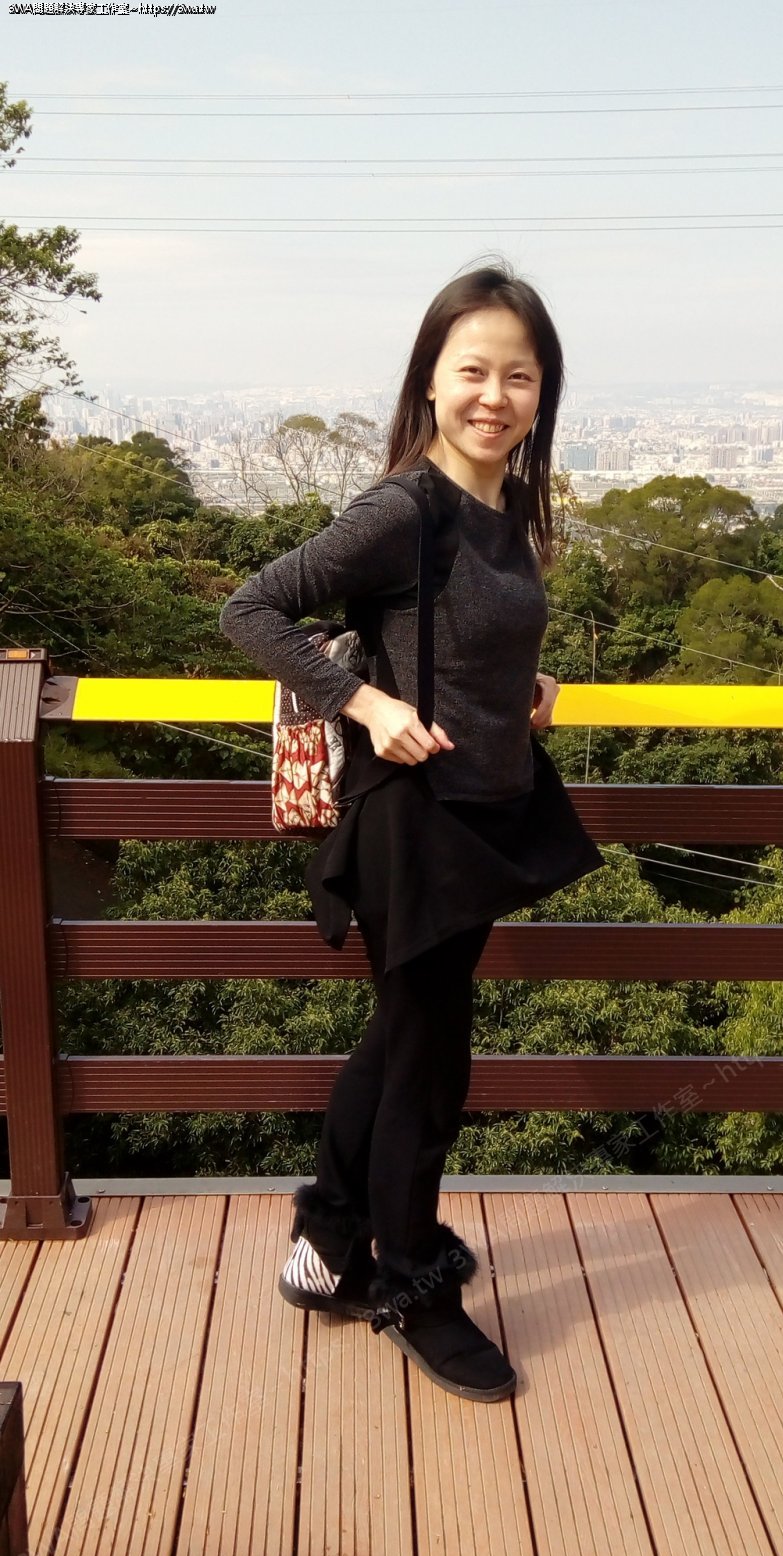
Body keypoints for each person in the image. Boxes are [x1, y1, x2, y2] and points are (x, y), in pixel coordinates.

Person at [219, 258, 603, 1404]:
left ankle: (327, 1241)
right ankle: (415, 1289)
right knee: (431, 1067)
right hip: (415, 822)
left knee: (401, 1037)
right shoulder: (405, 508)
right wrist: (367, 705)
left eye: (519, 376)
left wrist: (523, 688)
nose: (496, 395)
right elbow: (250, 608)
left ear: (543, 391)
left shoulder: (506, 506)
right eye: (473, 371)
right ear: (430, 381)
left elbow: (468, 632)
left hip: (481, 808)